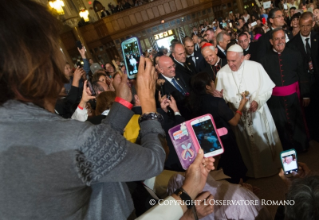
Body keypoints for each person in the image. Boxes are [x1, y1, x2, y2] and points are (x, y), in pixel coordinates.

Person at [0, 2, 167, 220]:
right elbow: (153, 161)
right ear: (42, 60)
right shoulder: (74, 140)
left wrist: (123, 103)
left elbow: (97, 153)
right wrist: (148, 104)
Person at [215, 44, 283, 178]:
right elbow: (220, 97)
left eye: (233, 61)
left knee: (263, 139)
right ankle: (253, 172)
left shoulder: (255, 67)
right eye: (228, 60)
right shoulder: (222, 73)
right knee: (245, 145)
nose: (230, 64)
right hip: (239, 117)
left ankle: (270, 169)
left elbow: (268, 89)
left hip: (257, 114)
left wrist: (257, 101)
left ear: (242, 58)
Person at [188, 71, 248, 183]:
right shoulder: (216, 102)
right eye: (211, 81)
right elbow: (234, 121)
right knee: (233, 169)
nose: (213, 82)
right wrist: (241, 105)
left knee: (221, 173)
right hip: (224, 140)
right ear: (207, 87)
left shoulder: (193, 103)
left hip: (208, 142)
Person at [260, 28, 310, 152]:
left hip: (294, 97)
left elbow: (302, 75)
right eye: (277, 39)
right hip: (275, 100)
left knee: (296, 122)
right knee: (281, 125)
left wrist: (305, 95)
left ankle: (301, 147)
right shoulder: (265, 59)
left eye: (282, 38)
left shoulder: (294, 54)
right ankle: (287, 149)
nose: (280, 41)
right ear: (271, 41)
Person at [288, 12, 319, 142]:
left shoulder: (318, 37)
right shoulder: (293, 44)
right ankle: (314, 135)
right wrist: (305, 93)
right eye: (302, 26)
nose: (305, 29)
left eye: (308, 25)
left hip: (318, 80)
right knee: (310, 112)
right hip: (304, 83)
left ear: (312, 24)